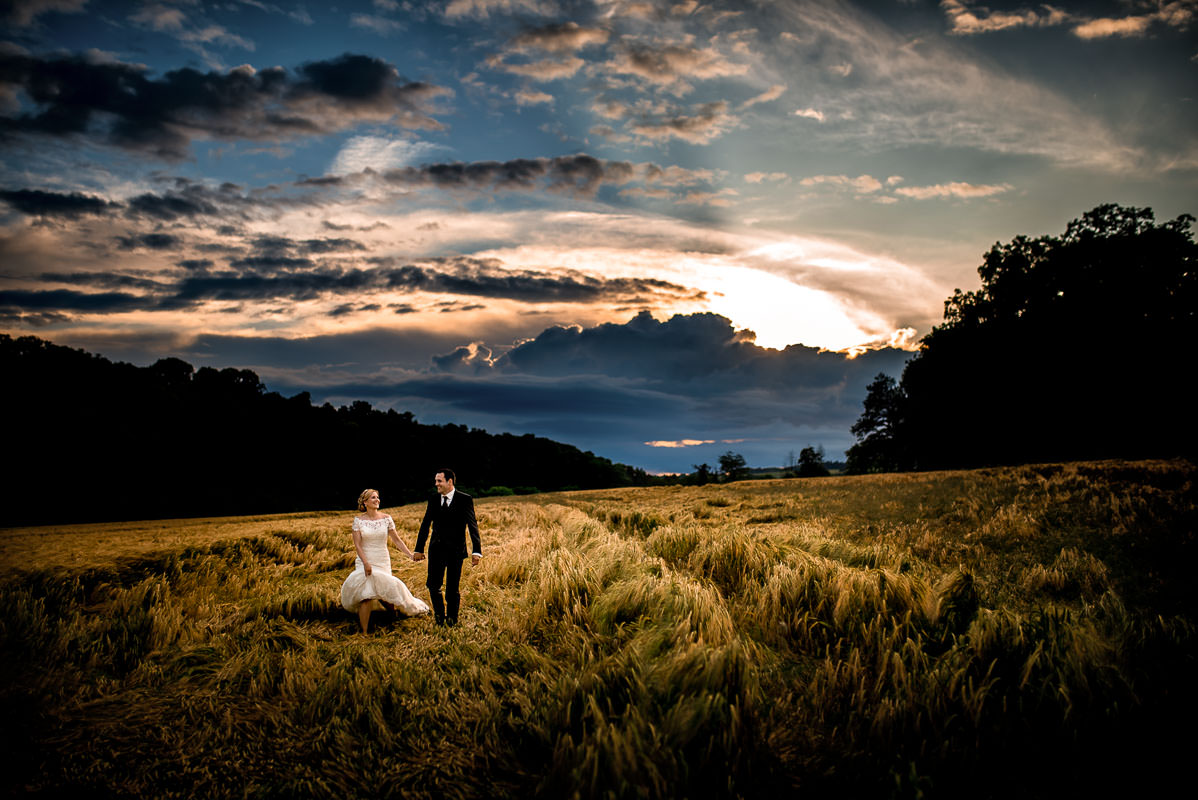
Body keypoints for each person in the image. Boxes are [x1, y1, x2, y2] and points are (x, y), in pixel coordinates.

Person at [340, 488, 429, 633]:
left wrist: (410, 555)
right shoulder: (358, 521)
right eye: (373, 498)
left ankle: (393, 616)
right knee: (366, 595)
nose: (377, 500)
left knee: (385, 592)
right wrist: (366, 563)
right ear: (365, 502)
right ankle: (364, 632)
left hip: (382, 559)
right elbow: (357, 545)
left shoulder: (386, 518)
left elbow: (397, 540)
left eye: (378, 497)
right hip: (365, 560)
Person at [413, 468, 481, 627]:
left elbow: (472, 526)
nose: (436, 484)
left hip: (456, 551)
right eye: (436, 481)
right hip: (436, 550)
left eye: (439, 481)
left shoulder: (465, 499)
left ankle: (452, 618)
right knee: (432, 585)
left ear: (449, 482)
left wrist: (476, 551)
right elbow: (425, 525)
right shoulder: (433, 499)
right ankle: (439, 616)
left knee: (452, 587)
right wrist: (419, 549)